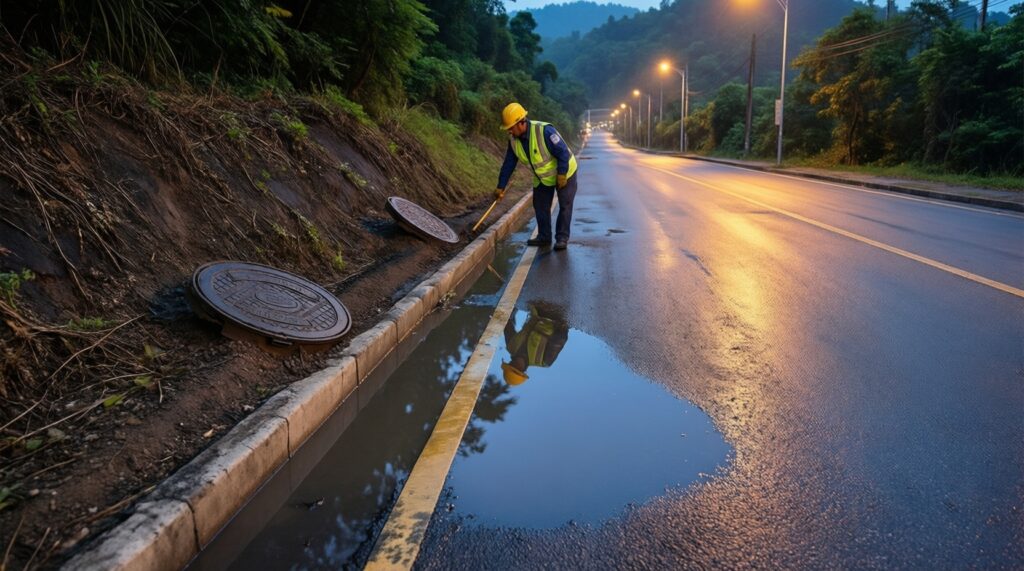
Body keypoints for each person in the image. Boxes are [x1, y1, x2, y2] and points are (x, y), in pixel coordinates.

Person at [494, 102, 579, 251]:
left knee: (565, 205)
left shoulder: (544, 131)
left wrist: (562, 174)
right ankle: (544, 237)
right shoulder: (513, 141)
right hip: (543, 177)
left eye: (511, 128)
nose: (509, 132)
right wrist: (501, 186)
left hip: (565, 172)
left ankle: (562, 238)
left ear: (521, 123)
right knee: (540, 206)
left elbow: (563, 153)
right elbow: (509, 163)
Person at [500, 302, 570, 386]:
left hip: (536, 308)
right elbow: (561, 338)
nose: (514, 363)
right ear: (522, 371)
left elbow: (507, 322)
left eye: (512, 364)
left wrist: (514, 305)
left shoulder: (511, 347)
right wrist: (560, 322)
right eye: (517, 367)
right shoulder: (543, 361)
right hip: (555, 315)